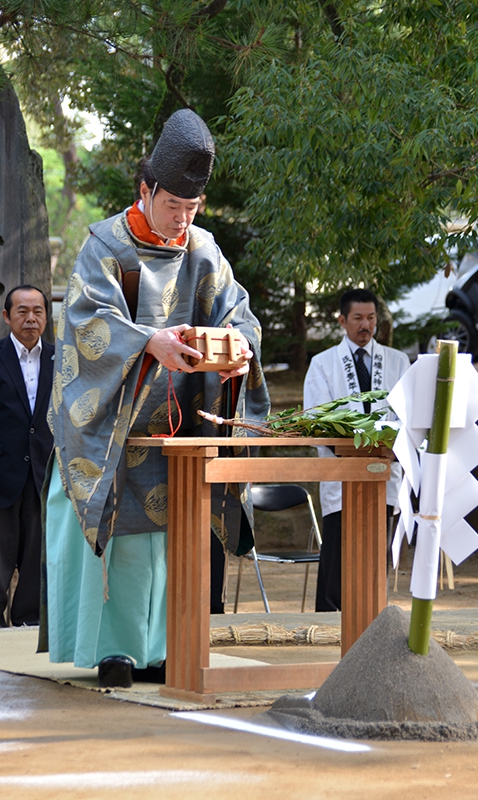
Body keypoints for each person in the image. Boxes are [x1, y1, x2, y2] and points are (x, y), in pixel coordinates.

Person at [42, 109, 270, 688]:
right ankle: (114, 650)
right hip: (114, 425)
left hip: (180, 424)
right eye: (173, 205)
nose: (182, 219)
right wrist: (148, 341)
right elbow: (87, 325)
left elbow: (238, 314)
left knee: (176, 539)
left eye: (193, 208)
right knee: (123, 543)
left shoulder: (204, 250)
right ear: (145, 190)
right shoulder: (106, 246)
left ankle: (168, 646)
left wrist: (240, 347)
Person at [303, 288, 409, 612]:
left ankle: (373, 618)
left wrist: (387, 447)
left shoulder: (398, 361)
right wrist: (355, 450)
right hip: (341, 473)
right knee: (337, 554)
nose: (366, 325)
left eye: (371, 318)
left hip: (383, 471)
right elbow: (316, 419)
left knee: (376, 555)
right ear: (342, 321)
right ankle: (329, 622)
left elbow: (409, 416)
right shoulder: (323, 364)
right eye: (358, 318)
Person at [0, 285, 54, 626]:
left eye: (37, 311)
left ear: (46, 317)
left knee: (37, 556)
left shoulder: (62, 360)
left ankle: (28, 623)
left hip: (44, 473)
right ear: (7, 316)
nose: (30, 318)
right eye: (22, 311)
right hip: (3, 472)